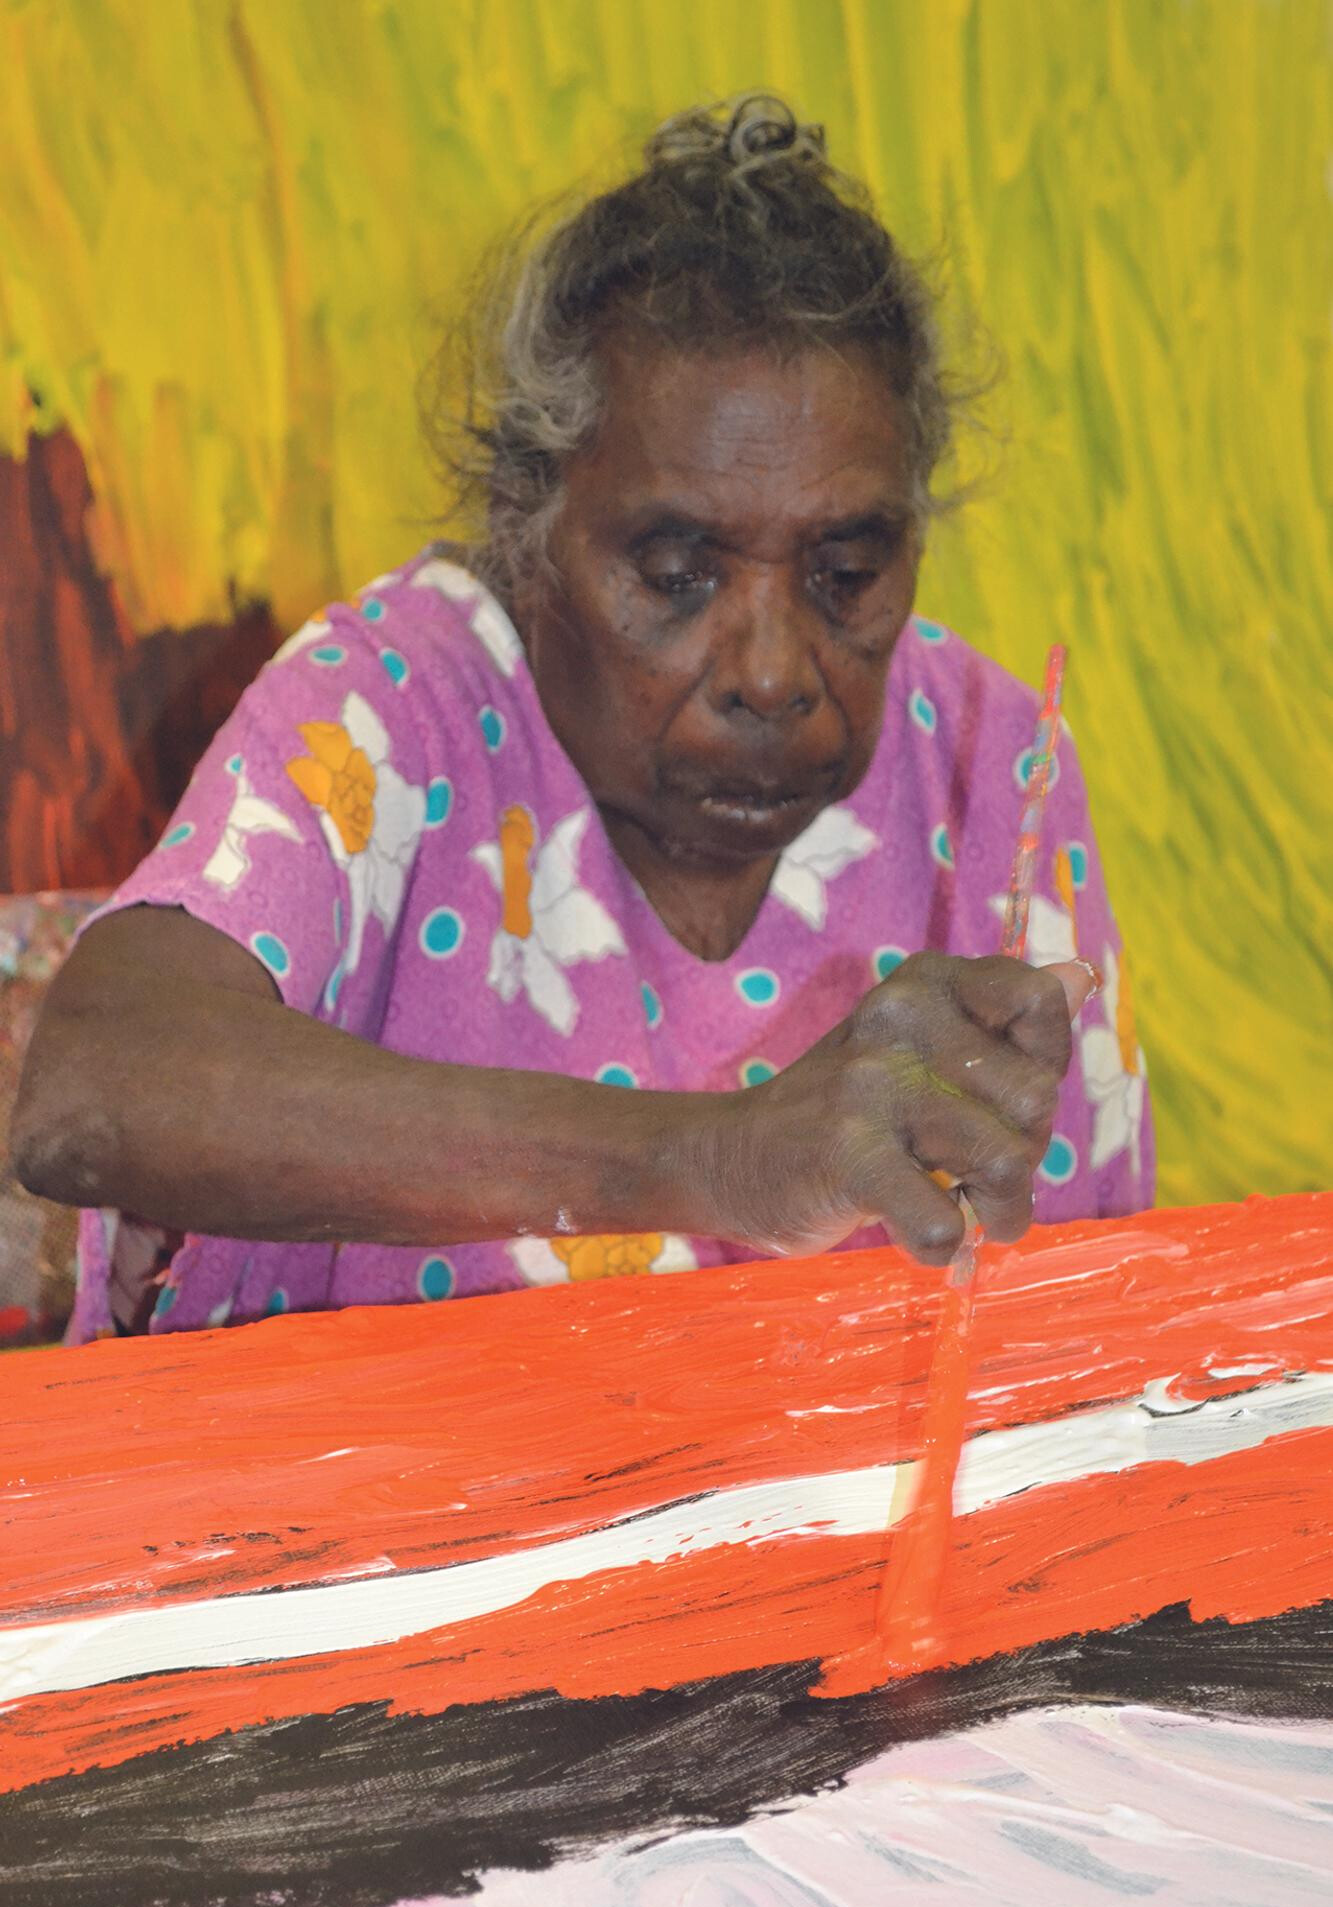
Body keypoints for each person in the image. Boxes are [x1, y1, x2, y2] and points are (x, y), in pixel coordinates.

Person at [13, 94, 1152, 1341]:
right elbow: (93, 1091)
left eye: (846, 570)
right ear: (531, 519)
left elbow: (1075, 1319)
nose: (771, 669)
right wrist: (716, 1158)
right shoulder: (401, 708)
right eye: (675, 570)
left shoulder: (988, 758)